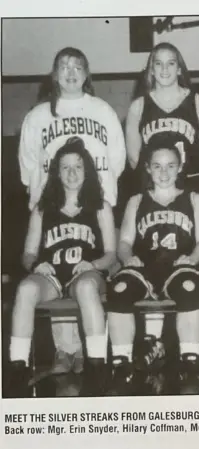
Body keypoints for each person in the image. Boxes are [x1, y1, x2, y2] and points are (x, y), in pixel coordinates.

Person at [18, 47, 126, 377]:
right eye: (63, 67)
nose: (70, 72)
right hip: (52, 206)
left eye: (77, 66)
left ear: (86, 74)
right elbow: (27, 169)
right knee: (54, 269)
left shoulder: (103, 110)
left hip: (95, 207)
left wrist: (95, 196)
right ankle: (66, 352)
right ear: (54, 75)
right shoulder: (37, 116)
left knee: (88, 279)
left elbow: (117, 161)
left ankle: (93, 354)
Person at [6, 137, 116, 397]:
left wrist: (94, 263)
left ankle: (96, 366)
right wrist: (35, 263)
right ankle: (18, 367)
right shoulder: (43, 208)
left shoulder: (101, 206)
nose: (72, 173)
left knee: (88, 287)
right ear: (56, 172)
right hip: (53, 276)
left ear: (87, 169)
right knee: (25, 290)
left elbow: (111, 254)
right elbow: (28, 253)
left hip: (85, 272)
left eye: (77, 166)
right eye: (65, 167)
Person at [105, 137, 199, 395]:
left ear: (180, 167)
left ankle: (190, 363)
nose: (164, 172)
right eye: (158, 166)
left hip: (179, 265)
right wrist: (128, 256)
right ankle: (122, 365)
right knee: (118, 289)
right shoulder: (136, 201)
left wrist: (194, 258)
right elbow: (125, 242)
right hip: (144, 267)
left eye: (170, 166)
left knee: (189, 286)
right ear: (148, 169)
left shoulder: (194, 199)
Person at [125, 42, 199, 195]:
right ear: (151, 70)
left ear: (179, 69)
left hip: (191, 186)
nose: (165, 69)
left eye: (171, 63)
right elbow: (134, 159)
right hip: (153, 189)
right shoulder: (138, 106)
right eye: (159, 64)